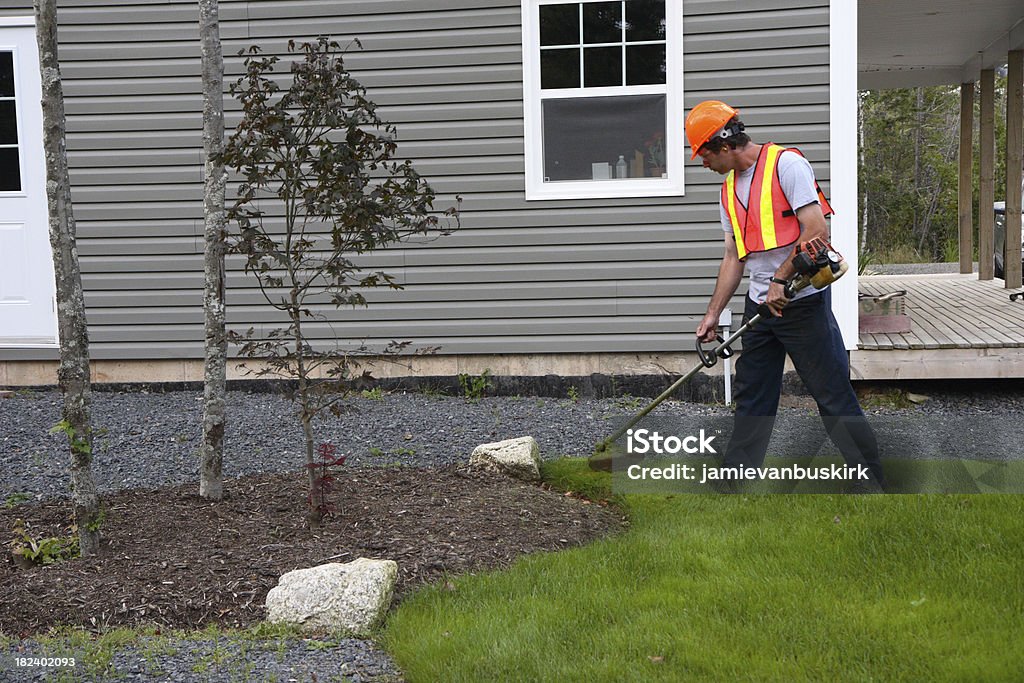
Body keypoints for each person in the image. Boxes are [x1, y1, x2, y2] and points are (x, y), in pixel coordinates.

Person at [685, 100, 884, 491]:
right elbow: (733, 256)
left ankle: (871, 481)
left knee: (831, 394)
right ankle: (735, 483)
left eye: (704, 155)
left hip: (800, 302)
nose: (702, 164)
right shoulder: (727, 191)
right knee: (752, 395)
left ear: (723, 145)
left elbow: (816, 230)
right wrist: (713, 313)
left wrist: (780, 278)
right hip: (760, 307)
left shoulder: (786, 165)